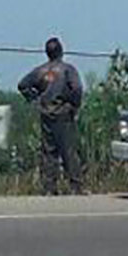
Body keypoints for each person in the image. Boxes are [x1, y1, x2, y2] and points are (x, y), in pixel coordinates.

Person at [18, 37, 84, 195]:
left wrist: (35, 99)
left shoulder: (40, 71)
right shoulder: (68, 70)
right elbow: (76, 89)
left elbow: (23, 85)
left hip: (46, 113)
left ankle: (49, 187)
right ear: (61, 51)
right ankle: (75, 186)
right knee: (68, 151)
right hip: (63, 115)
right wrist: (74, 106)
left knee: (49, 152)